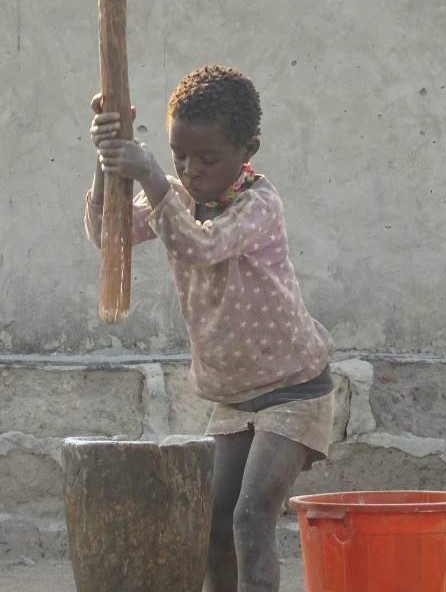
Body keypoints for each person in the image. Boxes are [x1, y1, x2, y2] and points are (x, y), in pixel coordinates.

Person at [84, 64, 336, 592]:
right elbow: (107, 235)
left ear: (249, 150)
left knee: (250, 519)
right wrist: (109, 161)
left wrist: (154, 178)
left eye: (207, 158)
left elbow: (201, 248)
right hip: (232, 397)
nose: (190, 169)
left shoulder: (257, 204)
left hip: (294, 392)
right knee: (212, 526)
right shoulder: (179, 200)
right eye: (178, 156)